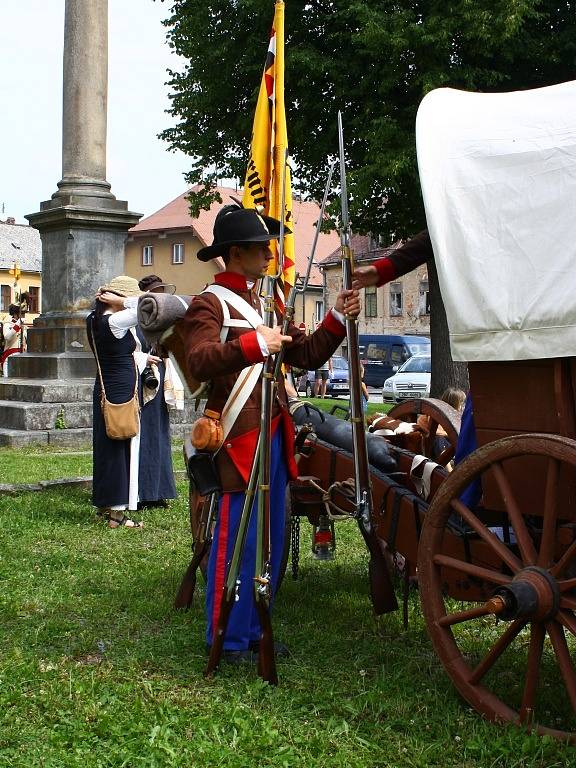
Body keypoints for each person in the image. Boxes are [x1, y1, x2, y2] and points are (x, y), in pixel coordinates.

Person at [178, 205, 360, 663]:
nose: (270, 254)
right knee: (236, 537)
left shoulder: (265, 305)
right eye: (262, 248)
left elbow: (310, 355)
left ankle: (256, 625)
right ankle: (226, 635)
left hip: (274, 435)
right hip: (239, 437)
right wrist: (254, 343)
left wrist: (336, 316)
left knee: (271, 539)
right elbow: (197, 360)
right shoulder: (211, 303)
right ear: (236, 253)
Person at [87, 275, 156, 529]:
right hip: (121, 393)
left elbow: (114, 351)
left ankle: (105, 504)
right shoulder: (115, 320)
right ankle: (117, 514)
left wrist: (140, 359)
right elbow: (149, 307)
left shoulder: (93, 319)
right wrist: (124, 300)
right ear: (113, 299)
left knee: (106, 448)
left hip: (105, 389)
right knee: (121, 448)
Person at [135, 274, 178, 509]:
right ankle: (142, 492)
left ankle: (159, 490)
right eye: (155, 291)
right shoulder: (136, 319)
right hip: (141, 381)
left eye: (161, 291)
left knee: (160, 436)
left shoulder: (164, 321)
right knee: (144, 436)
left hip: (159, 379)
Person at [1, 304, 25, 376]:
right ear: (15, 314)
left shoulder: (24, 327)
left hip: (21, 357)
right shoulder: (8, 325)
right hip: (9, 357)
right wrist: (17, 325)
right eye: (22, 313)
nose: (23, 316)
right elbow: (7, 337)